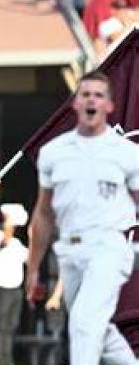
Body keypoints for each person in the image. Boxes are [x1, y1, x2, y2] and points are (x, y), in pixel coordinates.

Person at [26, 71, 139, 365]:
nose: (91, 100)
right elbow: (43, 212)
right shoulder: (53, 153)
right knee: (99, 331)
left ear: (109, 106)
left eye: (98, 95)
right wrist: (34, 267)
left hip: (110, 248)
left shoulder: (127, 153)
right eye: (85, 94)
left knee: (84, 325)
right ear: (75, 103)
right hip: (69, 252)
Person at [0, 204, 29, 365]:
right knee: (0, 323)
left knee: (11, 325)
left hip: (15, 289)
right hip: (0, 287)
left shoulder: (17, 243)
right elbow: (4, 241)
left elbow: (29, 259)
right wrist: (8, 221)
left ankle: (7, 357)